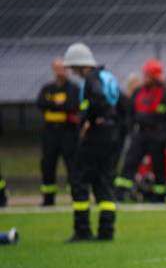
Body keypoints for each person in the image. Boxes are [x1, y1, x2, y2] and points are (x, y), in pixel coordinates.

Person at [63, 42, 122, 242]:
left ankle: (82, 229)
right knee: (104, 181)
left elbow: (96, 100)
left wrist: (87, 119)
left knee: (79, 179)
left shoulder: (92, 79)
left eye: (73, 68)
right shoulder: (109, 77)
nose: (73, 72)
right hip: (112, 134)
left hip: (97, 135)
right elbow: (122, 104)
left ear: (80, 64)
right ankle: (106, 230)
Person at [114, 60, 166, 203]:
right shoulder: (138, 92)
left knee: (159, 167)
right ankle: (119, 194)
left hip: (157, 135)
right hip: (140, 134)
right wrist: (132, 130)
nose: (145, 77)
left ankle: (159, 196)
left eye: (148, 75)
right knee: (129, 163)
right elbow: (130, 113)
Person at [36, 57, 80, 206]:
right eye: (57, 68)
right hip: (50, 132)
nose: (60, 71)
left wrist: (52, 105)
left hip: (68, 132)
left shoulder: (73, 88)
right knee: (47, 164)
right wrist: (58, 104)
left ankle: (77, 196)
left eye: (63, 68)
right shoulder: (47, 88)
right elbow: (40, 103)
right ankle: (48, 199)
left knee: (72, 165)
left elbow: (72, 105)